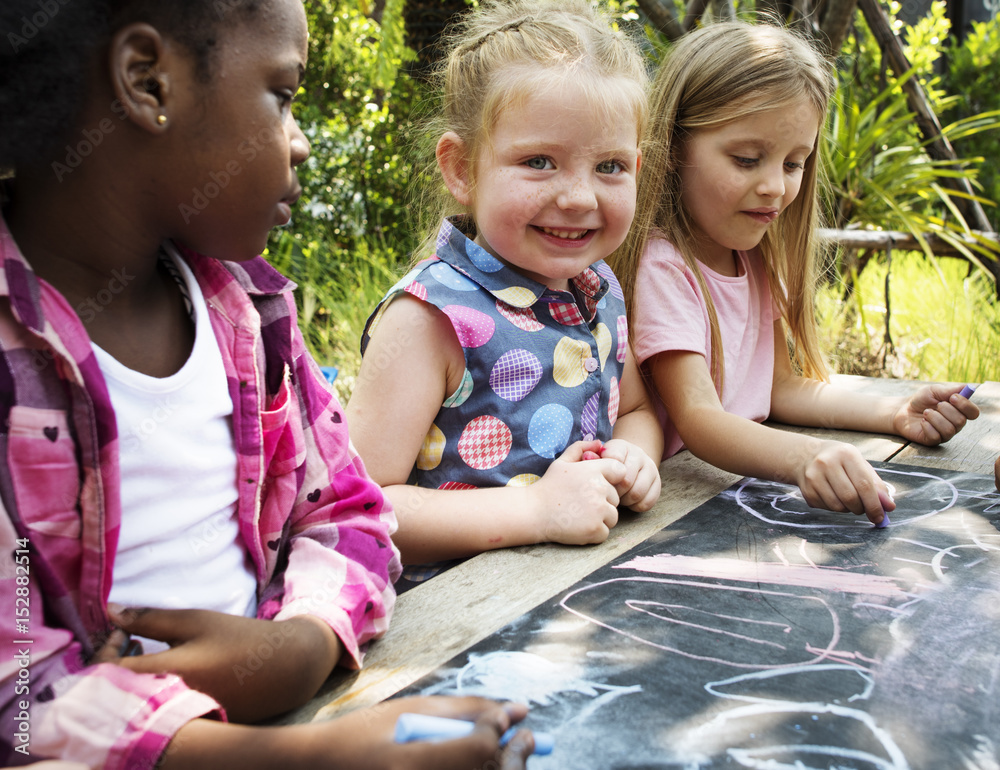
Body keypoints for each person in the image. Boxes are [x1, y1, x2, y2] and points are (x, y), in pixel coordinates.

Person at [0, 1, 534, 767]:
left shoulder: (250, 313)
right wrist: (311, 757)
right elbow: (18, 709)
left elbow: (348, 510)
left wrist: (302, 642)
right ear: (149, 82)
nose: (301, 141)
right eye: (282, 95)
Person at [611, 20, 979, 526]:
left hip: (721, 497)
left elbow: (779, 388)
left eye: (793, 163)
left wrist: (895, 412)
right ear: (673, 147)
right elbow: (700, 419)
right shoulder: (664, 266)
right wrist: (804, 457)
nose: (775, 187)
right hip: (665, 513)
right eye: (747, 159)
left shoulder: (755, 259)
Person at [347, 0, 663, 588]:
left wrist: (632, 456)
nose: (578, 196)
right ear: (462, 169)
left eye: (611, 166)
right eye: (539, 161)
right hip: (451, 620)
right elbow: (360, 507)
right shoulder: (433, 316)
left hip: (574, 594)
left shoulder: (600, 290)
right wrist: (535, 511)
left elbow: (637, 409)